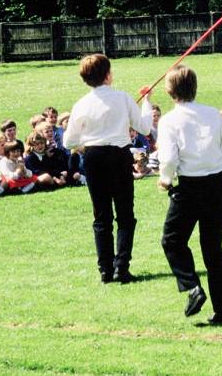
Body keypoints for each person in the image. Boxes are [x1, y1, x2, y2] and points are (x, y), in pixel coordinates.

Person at [157, 65, 222, 326]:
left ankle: (192, 286)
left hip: (190, 187)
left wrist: (165, 179)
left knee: (172, 240)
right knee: (213, 249)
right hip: (218, 185)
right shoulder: (213, 114)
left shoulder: (169, 120)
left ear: (170, 91)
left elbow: (168, 158)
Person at [63, 53, 154, 284]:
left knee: (101, 215)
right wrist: (146, 101)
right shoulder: (123, 98)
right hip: (118, 155)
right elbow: (143, 127)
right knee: (125, 214)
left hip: (94, 157)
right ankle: (121, 268)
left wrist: (85, 146)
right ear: (107, 75)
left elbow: (68, 142)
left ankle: (105, 269)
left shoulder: (82, 103)